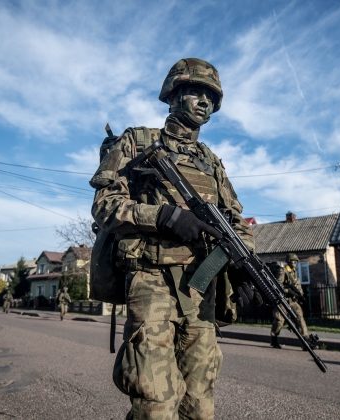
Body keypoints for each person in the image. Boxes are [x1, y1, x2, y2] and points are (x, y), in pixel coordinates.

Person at [90, 57, 254, 419]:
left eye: (211, 97)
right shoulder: (137, 141)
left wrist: (245, 267)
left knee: (199, 403)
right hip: (152, 282)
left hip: (202, 287)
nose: (204, 102)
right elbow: (104, 205)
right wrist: (163, 216)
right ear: (174, 94)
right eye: (196, 92)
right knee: (156, 402)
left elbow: (237, 223)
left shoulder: (212, 162)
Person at [270, 254, 314, 349]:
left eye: (295, 262)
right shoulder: (283, 271)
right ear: (289, 262)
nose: (294, 263)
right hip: (282, 300)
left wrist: (300, 295)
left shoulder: (294, 272)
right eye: (292, 261)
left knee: (299, 317)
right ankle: (274, 339)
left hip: (292, 301)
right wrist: (289, 291)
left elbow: (297, 285)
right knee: (279, 321)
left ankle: (306, 341)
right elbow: (278, 285)